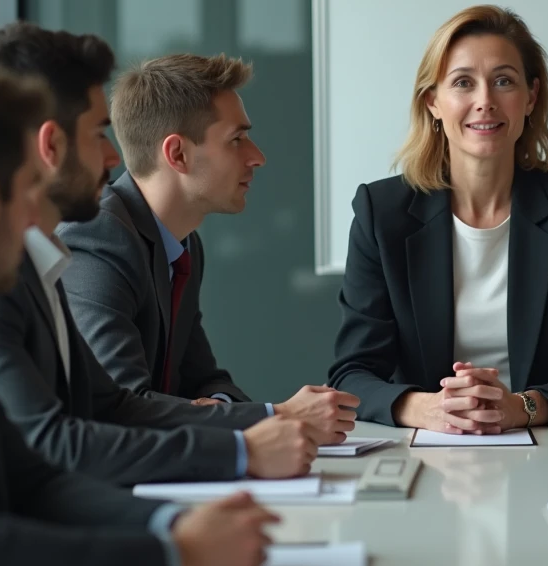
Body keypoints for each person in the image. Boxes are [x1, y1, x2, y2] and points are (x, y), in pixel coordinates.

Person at [0, 62, 274, 566]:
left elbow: (31, 481)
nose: (40, 222)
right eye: (31, 188)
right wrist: (174, 555)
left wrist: (172, 525)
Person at [0, 22, 319, 484]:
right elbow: (88, 427)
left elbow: (154, 392)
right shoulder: (88, 240)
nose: (113, 158)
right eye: (97, 134)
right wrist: (257, 432)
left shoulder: (179, 245)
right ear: (178, 155)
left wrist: (242, 425)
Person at [328, 4, 548, 431]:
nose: (485, 101)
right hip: (424, 445)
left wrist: (518, 407)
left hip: (541, 446)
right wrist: (428, 409)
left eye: (504, 81)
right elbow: (352, 372)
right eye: (463, 83)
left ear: (531, 97)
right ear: (433, 101)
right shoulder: (382, 212)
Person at [58, 53, 356, 443]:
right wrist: (276, 414)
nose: (257, 157)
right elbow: (121, 407)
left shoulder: (182, 247)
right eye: (236, 139)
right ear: (177, 154)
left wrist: (212, 406)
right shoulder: (99, 237)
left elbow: (204, 379)